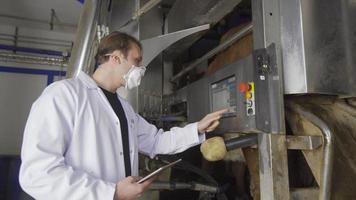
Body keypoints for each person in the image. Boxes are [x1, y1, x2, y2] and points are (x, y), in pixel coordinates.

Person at [19, 31, 227, 200]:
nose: (141, 69)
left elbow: (155, 141)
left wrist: (197, 128)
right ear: (116, 58)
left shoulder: (124, 108)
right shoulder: (64, 95)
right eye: (136, 61)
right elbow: (38, 174)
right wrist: (111, 193)